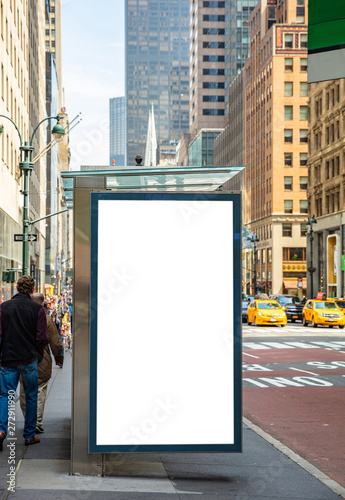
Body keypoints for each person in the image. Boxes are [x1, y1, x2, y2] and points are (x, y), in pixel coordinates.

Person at [0, 276, 48, 450]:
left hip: (8, 359)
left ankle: (1, 430)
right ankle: (29, 435)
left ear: (17, 288)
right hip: (29, 359)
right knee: (31, 396)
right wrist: (36, 354)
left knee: (5, 395)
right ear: (32, 289)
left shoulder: (3, 307)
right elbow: (42, 337)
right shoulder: (38, 309)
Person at [19, 293, 63, 434]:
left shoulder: (22, 317)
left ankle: (29, 420)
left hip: (23, 358)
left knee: (25, 392)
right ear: (43, 302)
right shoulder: (46, 318)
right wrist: (59, 357)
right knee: (39, 390)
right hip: (42, 360)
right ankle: (36, 422)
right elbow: (55, 342)